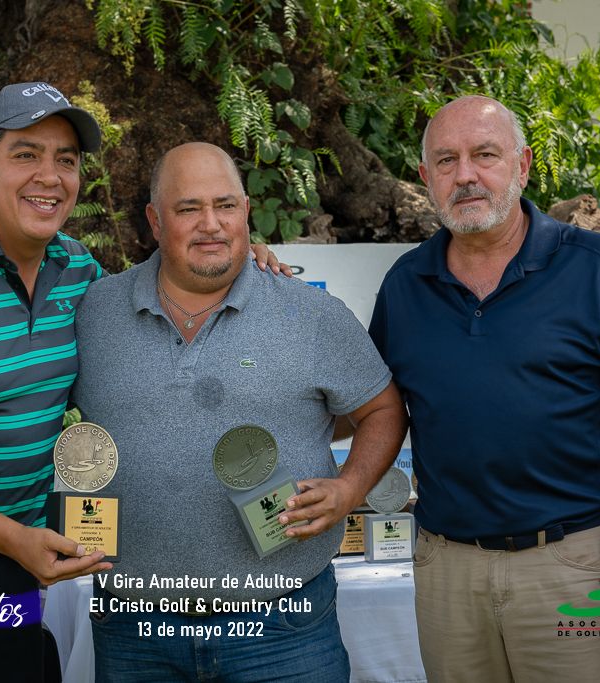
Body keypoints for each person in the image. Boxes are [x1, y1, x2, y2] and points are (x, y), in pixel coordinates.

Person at [0, 83, 288, 681]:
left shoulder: (76, 269)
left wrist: (229, 253)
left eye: (66, 160)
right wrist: (14, 539)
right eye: (26, 154)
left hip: (12, 555)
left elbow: (151, 317)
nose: (49, 176)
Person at [369, 95, 600, 682]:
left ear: (523, 164)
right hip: (447, 573)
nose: (465, 175)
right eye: (446, 160)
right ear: (425, 178)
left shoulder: (594, 266)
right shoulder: (405, 285)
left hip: (572, 566)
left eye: (485, 155)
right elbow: (374, 410)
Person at [71, 141, 407, 682]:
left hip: (284, 627)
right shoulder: (93, 312)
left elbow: (384, 409)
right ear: (155, 221)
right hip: (135, 628)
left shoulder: (309, 313)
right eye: (188, 208)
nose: (211, 224)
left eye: (225, 206)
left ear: (246, 212)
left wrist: (349, 489)